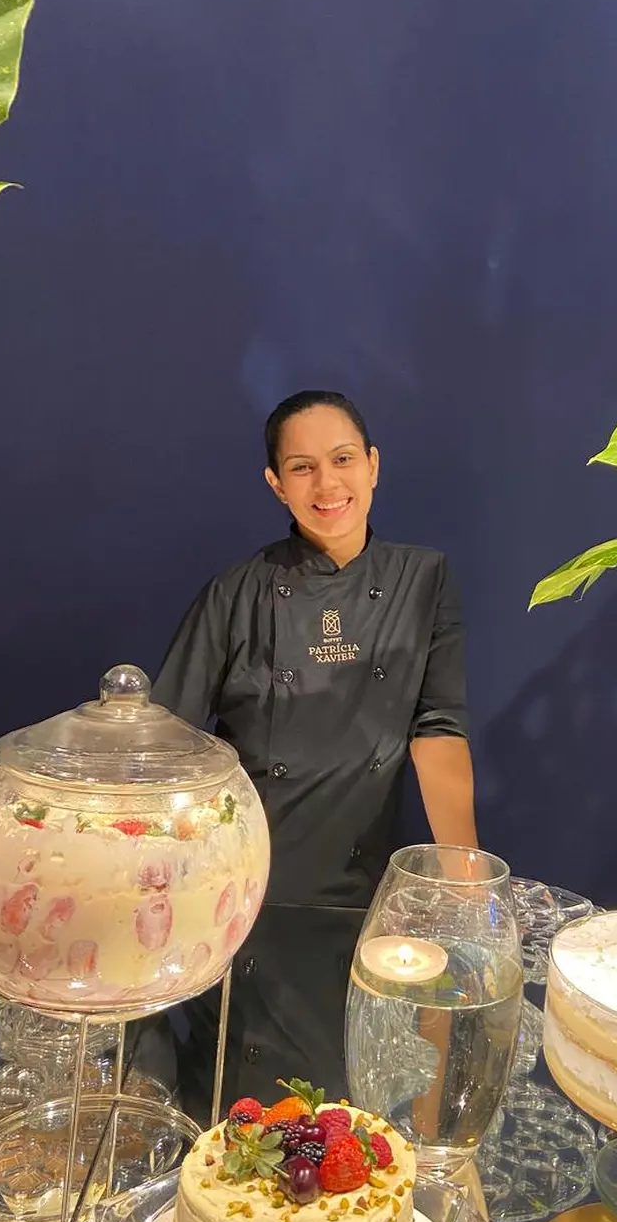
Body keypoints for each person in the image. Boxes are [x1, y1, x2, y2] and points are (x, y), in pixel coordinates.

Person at [143, 389, 477, 1119]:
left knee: (340, 1094)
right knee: (237, 1103)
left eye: (343, 459)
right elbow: (164, 742)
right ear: (276, 483)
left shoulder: (424, 580)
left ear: (374, 465)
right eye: (302, 467)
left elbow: (437, 728)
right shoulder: (236, 594)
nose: (327, 484)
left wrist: (466, 882)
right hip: (245, 887)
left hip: (359, 888)